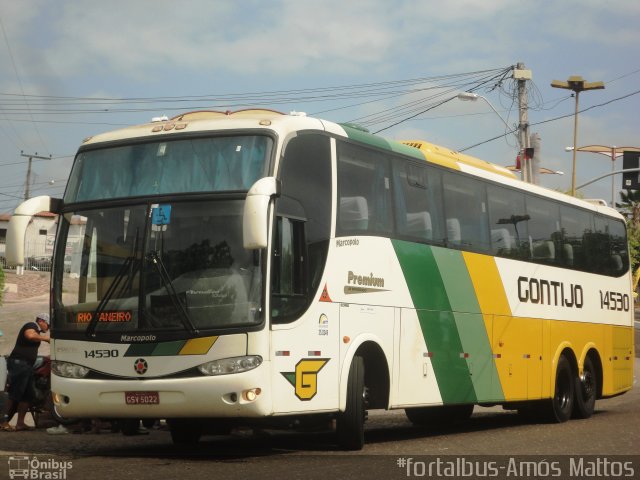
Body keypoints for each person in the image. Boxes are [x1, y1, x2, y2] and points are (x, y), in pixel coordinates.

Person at [1, 313, 50, 432]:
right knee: (15, 393)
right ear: (42, 321)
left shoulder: (37, 331)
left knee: (28, 395)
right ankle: (3, 422)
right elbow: (29, 335)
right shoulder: (31, 325)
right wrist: (46, 339)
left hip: (27, 366)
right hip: (19, 364)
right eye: (48, 325)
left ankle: (20, 423)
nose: (47, 329)